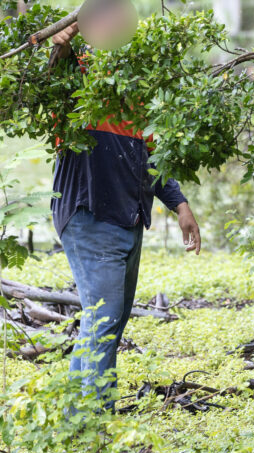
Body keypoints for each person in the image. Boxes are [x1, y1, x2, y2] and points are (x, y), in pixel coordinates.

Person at [48, 22, 201, 409]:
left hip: (129, 222)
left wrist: (180, 205)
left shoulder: (136, 99)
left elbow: (153, 159)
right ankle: (96, 424)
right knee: (103, 322)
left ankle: (77, 417)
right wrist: (60, 49)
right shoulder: (78, 91)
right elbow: (52, 81)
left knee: (107, 325)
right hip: (89, 218)